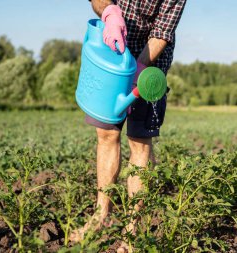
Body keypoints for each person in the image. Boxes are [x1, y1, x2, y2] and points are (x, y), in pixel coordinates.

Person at [70, 0, 186, 251]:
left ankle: (133, 230)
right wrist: (110, 12)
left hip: (148, 70)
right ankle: (100, 217)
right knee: (106, 136)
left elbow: (162, 31)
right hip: (109, 59)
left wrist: (138, 67)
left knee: (140, 144)